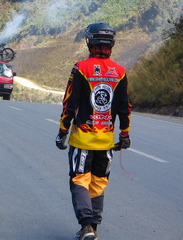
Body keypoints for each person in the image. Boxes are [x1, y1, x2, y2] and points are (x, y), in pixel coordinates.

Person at [55, 22, 132, 240]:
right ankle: (93, 229)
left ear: (90, 42)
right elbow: (124, 107)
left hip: (83, 141)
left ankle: (87, 225)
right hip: (106, 142)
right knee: (98, 182)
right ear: (111, 44)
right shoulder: (120, 71)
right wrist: (124, 135)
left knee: (80, 180)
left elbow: (69, 103)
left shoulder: (80, 68)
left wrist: (62, 131)